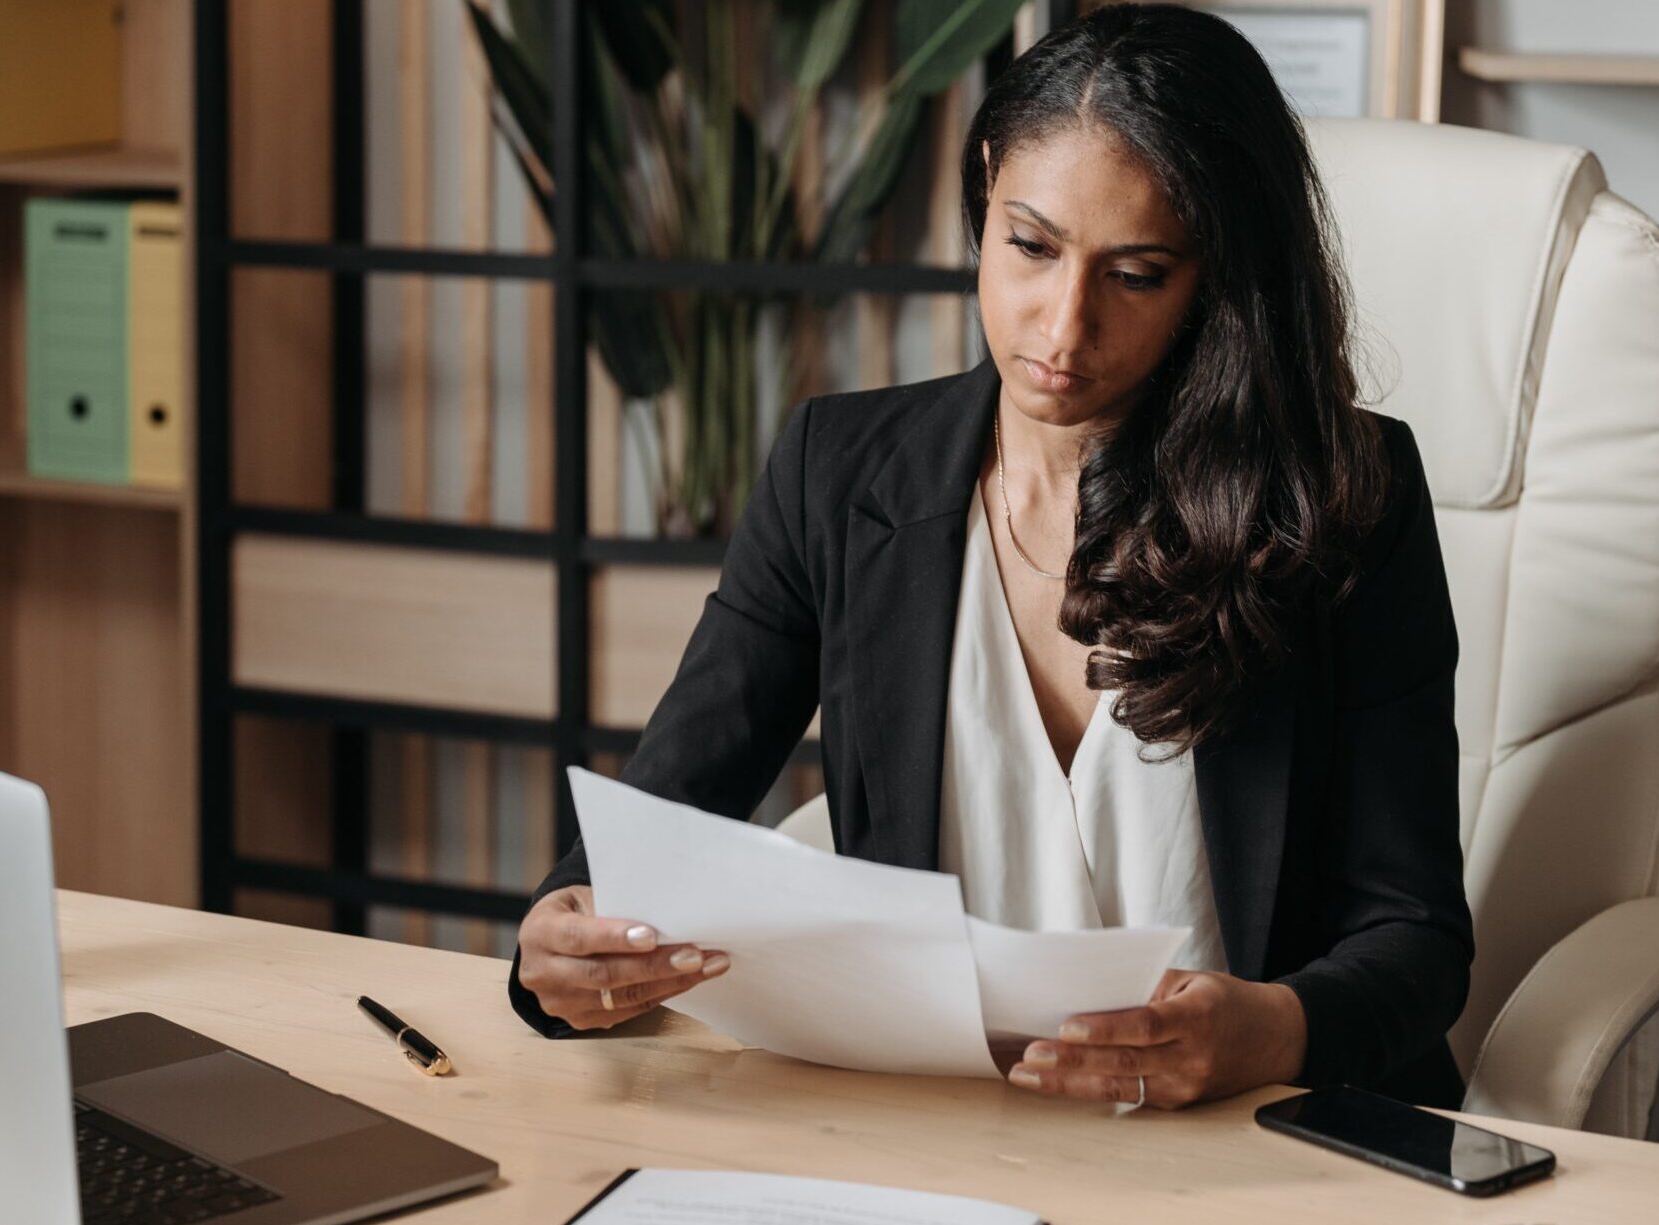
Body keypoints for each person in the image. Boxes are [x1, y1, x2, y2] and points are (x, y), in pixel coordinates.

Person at [509, 2, 1472, 1111]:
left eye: (1137, 273)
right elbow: (662, 817)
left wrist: (1266, 1031)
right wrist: (564, 935)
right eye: (1029, 246)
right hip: (943, 1126)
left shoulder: (1342, 498)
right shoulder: (840, 473)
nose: (1061, 330)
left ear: (1220, 278)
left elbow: (1417, 940)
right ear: (982, 193)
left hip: (1252, 1132)